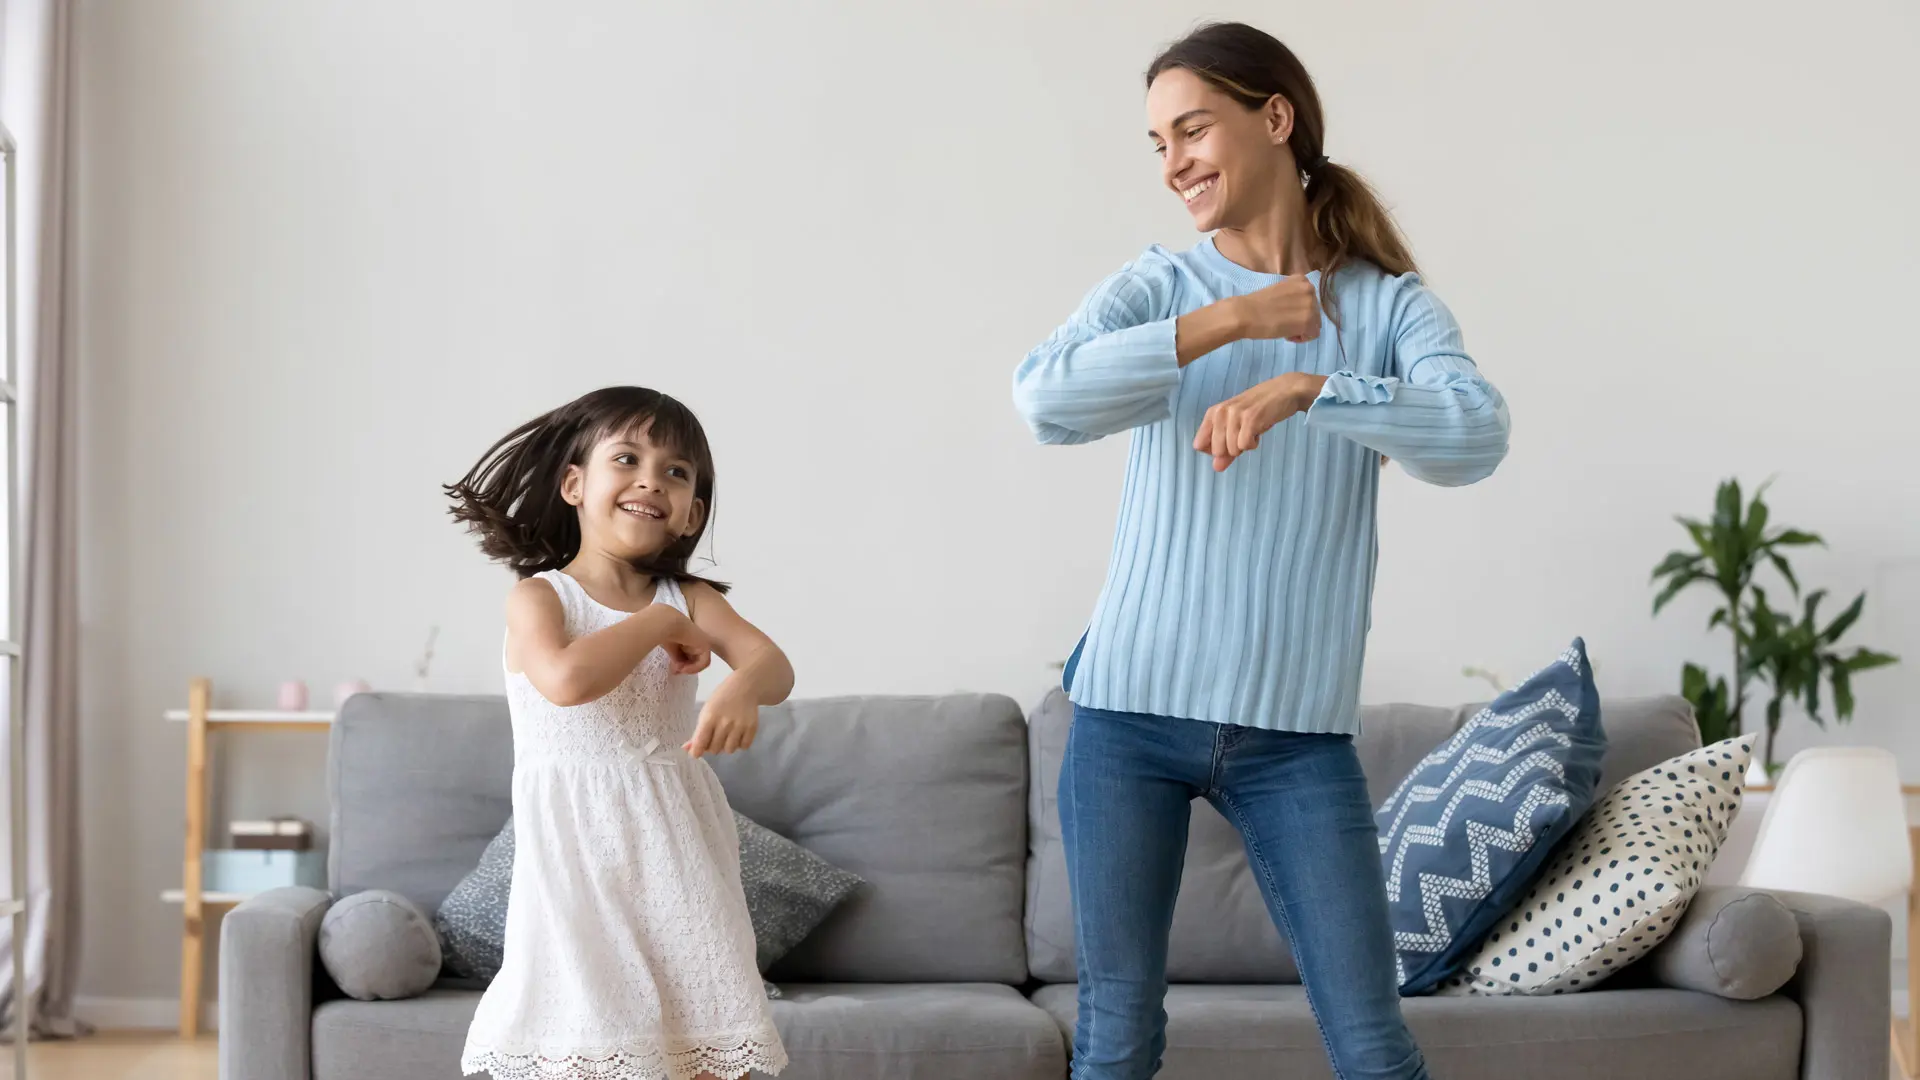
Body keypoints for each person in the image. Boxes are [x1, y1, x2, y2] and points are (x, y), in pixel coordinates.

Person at [1012, 22, 1511, 1080]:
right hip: (1125, 719)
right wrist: (1232, 321)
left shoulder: (1383, 307)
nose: (1175, 162)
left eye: (1192, 129)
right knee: (1115, 1038)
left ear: (1274, 118)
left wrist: (1315, 387)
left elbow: (1476, 434)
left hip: (1295, 737)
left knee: (1373, 1045)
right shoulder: (1161, 285)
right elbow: (1043, 400)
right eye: (1158, 144)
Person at [445, 386, 789, 1080]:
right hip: (578, 865)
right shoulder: (542, 597)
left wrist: (741, 686)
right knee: (594, 1040)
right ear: (575, 483)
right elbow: (569, 683)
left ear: (691, 512)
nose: (650, 480)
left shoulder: (690, 597)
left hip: (680, 851)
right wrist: (661, 626)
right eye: (627, 458)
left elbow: (773, 665)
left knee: (706, 1042)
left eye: (676, 471)